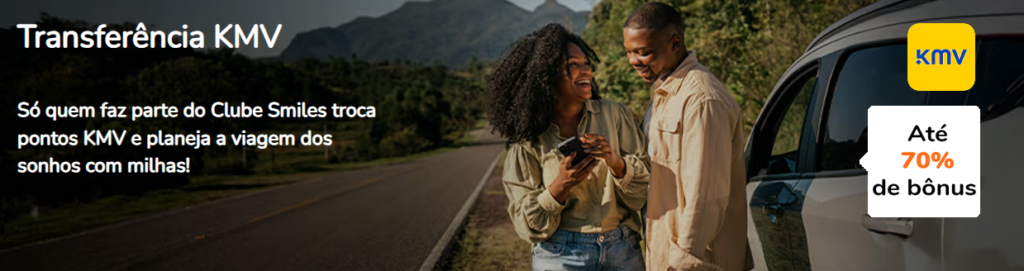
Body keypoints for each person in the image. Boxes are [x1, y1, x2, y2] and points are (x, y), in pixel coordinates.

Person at [488, 23, 650, 271]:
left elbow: (645, 190)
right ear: (547, 75)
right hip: (560, 255)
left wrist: (615, 162)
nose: (586, 71)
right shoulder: (528, 141)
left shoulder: (615, 115)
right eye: (574, 64)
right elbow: (526, 223)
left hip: (622, 250)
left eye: (586, 64)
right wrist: (561, 185)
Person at [621, 3, 753, 271]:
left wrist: (683, 261)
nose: (634, 61)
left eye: (643, 52)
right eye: (629, 52)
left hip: (697, 262)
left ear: (675, 43)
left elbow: (706, 195)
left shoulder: (703, 100)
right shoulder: (665, 92)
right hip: (666, 253)